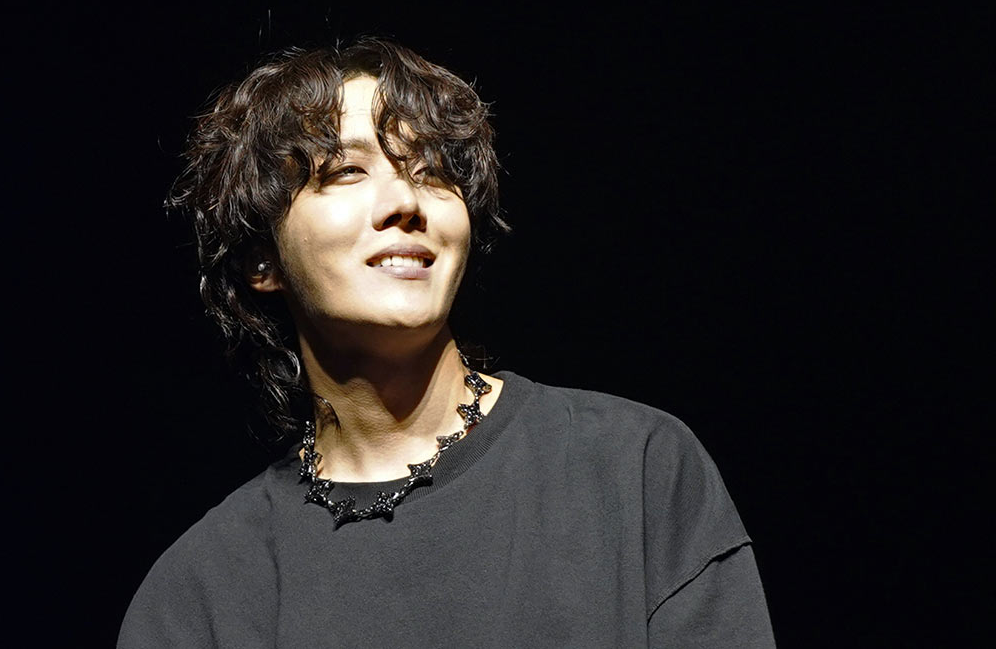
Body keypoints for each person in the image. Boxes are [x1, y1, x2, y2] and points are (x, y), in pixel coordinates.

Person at [118, 37, 775, 648]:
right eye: (346, 170)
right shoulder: (200, 596)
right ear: (262, 260)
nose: (406, 200)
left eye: (430, 170)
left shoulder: (634, 470)